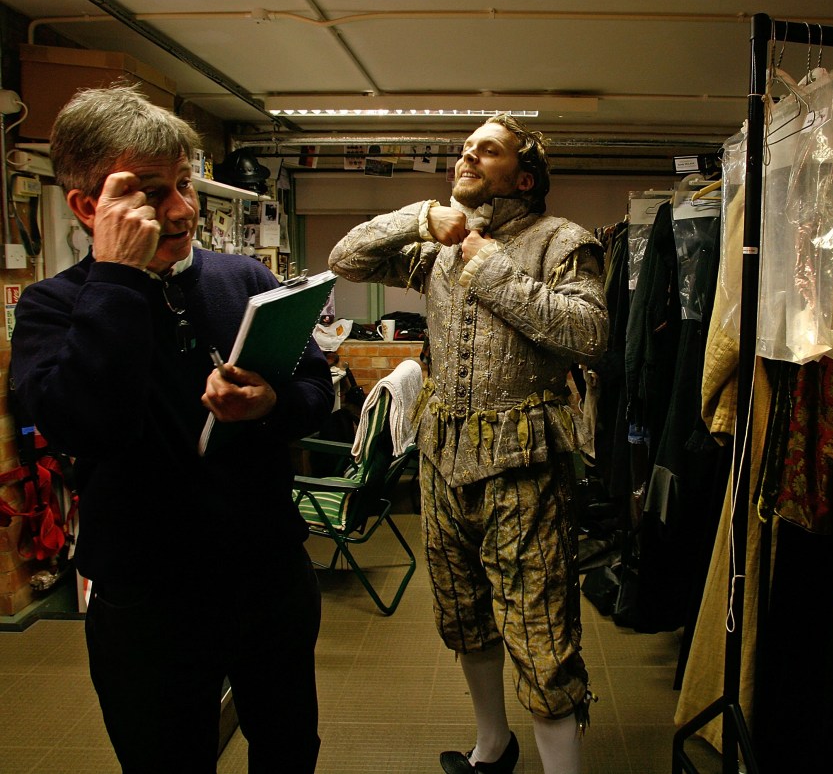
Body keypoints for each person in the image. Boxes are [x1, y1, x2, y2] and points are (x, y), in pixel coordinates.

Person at [9, 85, 333, 773]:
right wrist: (120, 277)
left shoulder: (244, 276)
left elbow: (323, 392)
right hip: (148, 600)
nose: (183, 210)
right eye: (153, 192)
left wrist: (272, 401)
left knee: (289, 750)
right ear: (89, 207)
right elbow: (83, 424)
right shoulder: (52, 307)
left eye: (184, 183)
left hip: (267, 577)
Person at [329, 114, 608, 774]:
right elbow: (346, 258)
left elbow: (591, 334)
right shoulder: (438, 243)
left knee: (540, 632)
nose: (469, 156)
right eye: (465, 148)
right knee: (461, 609)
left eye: (489, 149)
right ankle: (494, 745)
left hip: (526, 465)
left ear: (525, 174)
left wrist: (493, 272)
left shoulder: (562, 241)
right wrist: (422, 215)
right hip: (442, 454)